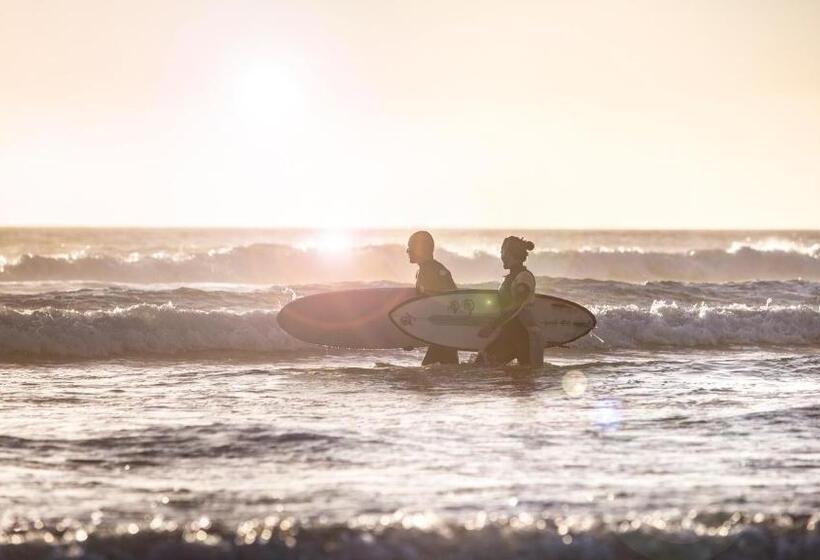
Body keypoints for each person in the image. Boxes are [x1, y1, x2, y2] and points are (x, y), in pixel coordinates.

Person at [477, 236, 544, 366]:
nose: (501, 256)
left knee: (526, 379)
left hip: (526, 337)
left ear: (511, 254)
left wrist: (492, 326)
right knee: (482, 363)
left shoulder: (524, 278)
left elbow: (517, 307)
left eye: (503, 252)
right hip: (508, 334)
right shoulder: (509, 278)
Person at [406, 231, 459, 365]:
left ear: (420, 249)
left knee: (426, 374)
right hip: (446, 331)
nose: (407, 251)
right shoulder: (431, 268)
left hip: (443, 332)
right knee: (449, 371)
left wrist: (410, 335)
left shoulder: (429, 270)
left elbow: (432, 305)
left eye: (410, 247)